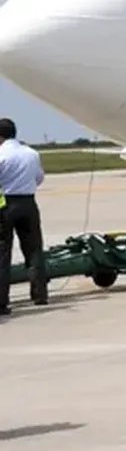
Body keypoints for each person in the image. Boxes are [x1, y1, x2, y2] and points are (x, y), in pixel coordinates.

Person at [0, 118, 47, 314]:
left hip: (5, 204)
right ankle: (40, 294)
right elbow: (39, 178)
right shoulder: (32, 153)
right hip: (28, 203)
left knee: (3, 254)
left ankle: (2, 302)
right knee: (34, 250)